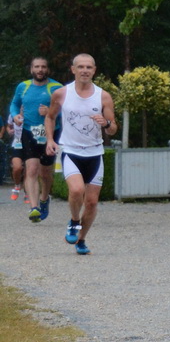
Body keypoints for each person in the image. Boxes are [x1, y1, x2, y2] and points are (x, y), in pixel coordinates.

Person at [43, 54, 115, 254]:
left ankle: (81, 240)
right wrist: (50, 140)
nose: (85, 70)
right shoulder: (61, 94)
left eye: (89, 67)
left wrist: (106, 123)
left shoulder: (103, 96)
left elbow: (113, 129)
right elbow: (50, 117)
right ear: (73, 69)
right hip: (71, 151)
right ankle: (74, 221)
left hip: (95, 153)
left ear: (94, 70)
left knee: (91, 203)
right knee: (76, 191)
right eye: (81, 67)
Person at [10, 57, 64, 222]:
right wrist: (15, 116)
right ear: (31, 69)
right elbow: (14, 104)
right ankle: (34, 208)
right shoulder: (23, 86)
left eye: (43, 67)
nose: (40, 70)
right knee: (32, 169)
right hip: (29, 132)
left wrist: (51, 112)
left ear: (47, 69)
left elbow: (67, 111)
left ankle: (44, 199)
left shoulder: (57, 88)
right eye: (37, 67)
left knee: (46, 173)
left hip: (50, 134)